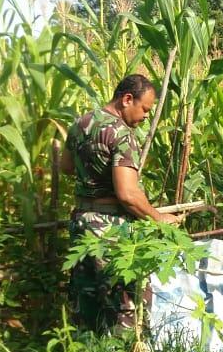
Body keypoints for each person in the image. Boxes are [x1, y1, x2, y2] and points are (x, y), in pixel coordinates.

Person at [60, 74, 178, 332]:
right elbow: (128, 194)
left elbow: (66, 166)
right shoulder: (122, 134)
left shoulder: (80, 124)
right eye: (144, 109)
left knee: (87, 301)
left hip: (81, 222)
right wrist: (159, 218)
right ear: (127, 99)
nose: (146, 116)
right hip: (109, 229)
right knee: (125, 302)